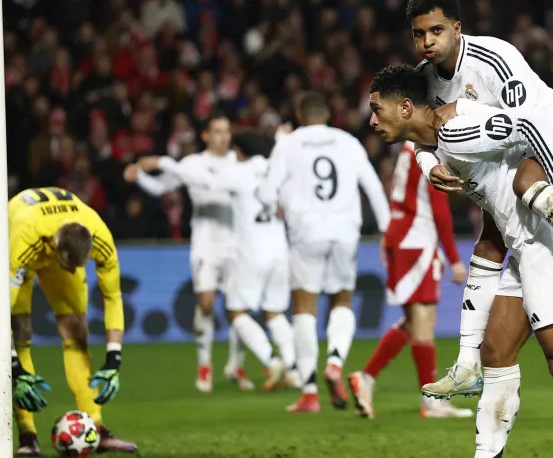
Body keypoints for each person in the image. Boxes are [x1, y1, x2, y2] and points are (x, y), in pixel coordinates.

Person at [368, 63, 553, 458]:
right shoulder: (438, 146)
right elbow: (429, 146)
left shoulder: (458, 133)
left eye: (378, 109)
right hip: (521, 243)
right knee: (496, 352)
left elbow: (528, 126)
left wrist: (547, 186)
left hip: (547, 239)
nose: (372, 119)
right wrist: (429, 163)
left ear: (407, 107)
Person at [402, 0, 553, 400]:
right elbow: (421, 135)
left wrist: (465, 114)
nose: (427, 42)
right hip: (510, 153)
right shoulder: (425, 80)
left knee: (526, 187)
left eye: (436, 31)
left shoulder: (493, 57)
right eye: (419, 34)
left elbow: (528, 125)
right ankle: (466, 365)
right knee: (490, 242)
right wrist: (431, 164)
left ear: (457, 28)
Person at [135, 131, 296, 391]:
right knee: (275, 312)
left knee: (236, 312)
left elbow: (206, 181)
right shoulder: (276, 168)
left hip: (250, 251)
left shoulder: (237, 172)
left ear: (240, 153)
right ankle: (295, 368)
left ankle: (270, 360)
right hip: (280, 251)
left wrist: (165, 163)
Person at [262, 91, 391, 412]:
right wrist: (388, 231)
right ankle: (335, 361)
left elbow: (266, 192)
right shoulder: (347, 141)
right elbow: (373, 187)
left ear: (301, 115)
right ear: (328, 115)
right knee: (342, 299)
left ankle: (308, 391)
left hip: (306, 229)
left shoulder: (288, 143)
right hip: (345, 230)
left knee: (305, 305)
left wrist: (281, 210)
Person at [124, 112, 261, 392]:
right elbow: (161, 187)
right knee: (207, 303)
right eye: (218, 131)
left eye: (227, 131)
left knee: (240, 307)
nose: (224, 136)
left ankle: (235, 365)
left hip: (238, 241)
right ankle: (204, 364)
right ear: (206, 136)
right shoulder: (193, 164)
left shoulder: (241, 161)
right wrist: (139, 177)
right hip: (206, 242)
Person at [8, 186, 137, 456]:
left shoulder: (99, 235)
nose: (74, 272)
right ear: (55, 247)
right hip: (16, 231)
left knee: (77, 333)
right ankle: (27, 436)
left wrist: (114, 359)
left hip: (54, 230)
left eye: (80, 265)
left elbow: (112, 297)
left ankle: (96, 429)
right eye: (69, 266)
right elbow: (0, 313)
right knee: (19, 330)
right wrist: (16, 369)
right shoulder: (24, 240)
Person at [348, 141, 472, 419]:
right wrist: (453, 258)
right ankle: (431, 402)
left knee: (414, 323)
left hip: (403, 238)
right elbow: (439, 209)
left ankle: (366, 377)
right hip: (416, 243)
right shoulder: (427, 150)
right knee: (424, 323)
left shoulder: (409, 148)